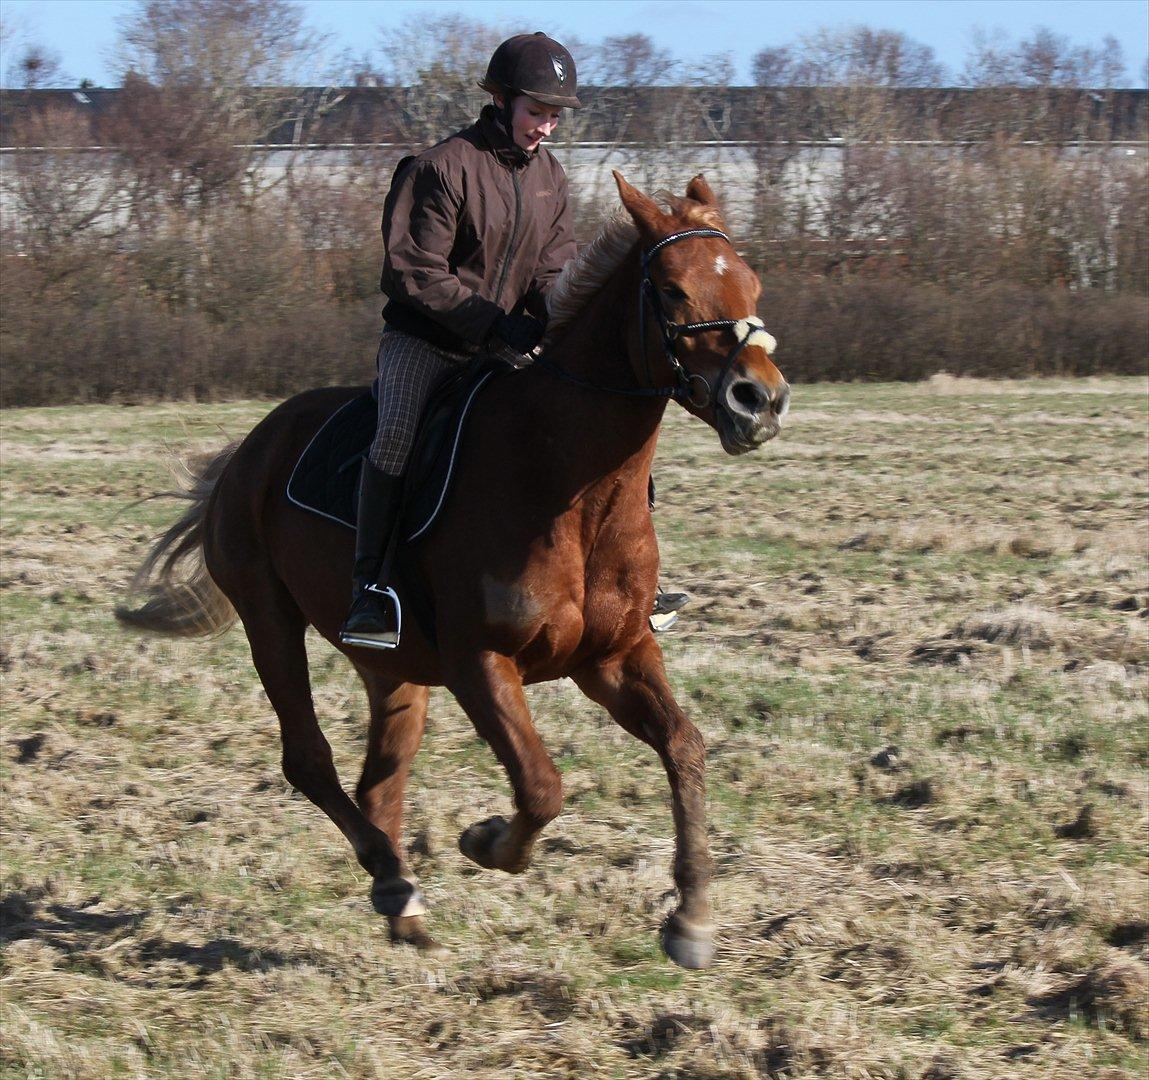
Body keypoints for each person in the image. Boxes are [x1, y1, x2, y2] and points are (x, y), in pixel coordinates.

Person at [340, 32, 580, 650]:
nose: (545, 128)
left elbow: (553, 269)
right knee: (396, 434)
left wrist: (554, 318)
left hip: (501, 348)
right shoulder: (441, 167)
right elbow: (413, 270)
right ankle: (370, 589)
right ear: (501, 100)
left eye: (554, 117)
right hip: (425, 343)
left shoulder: (551, 177)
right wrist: (491, 321)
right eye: (536, 112)